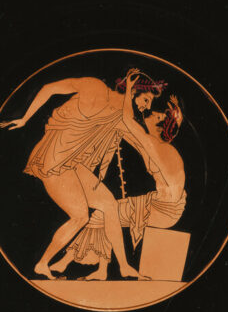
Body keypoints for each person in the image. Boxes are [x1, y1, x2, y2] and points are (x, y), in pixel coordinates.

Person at [1, 69, 165, 279]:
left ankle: (124, 266)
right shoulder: (94, 87)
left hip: (72, 164)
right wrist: (25, 118)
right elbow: (49, 88)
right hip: (54, 161)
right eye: (146, 99)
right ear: (132, 92)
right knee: (80, 216)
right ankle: (42, 264)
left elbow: (130, 122)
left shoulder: (116, 112)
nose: (147, 107)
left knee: (110, 205)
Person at [51, 75, 187, 280]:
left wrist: (129, 90)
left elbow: (126, 122)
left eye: (153, 114)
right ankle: (98, 270)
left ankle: (80, 265)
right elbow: (128, 129)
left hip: (164, 210)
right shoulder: (161, 147)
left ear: (159, 123)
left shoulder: (154, 146)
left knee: (104, 213)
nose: (147, 114)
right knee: (107, 210)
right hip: (165, 204)